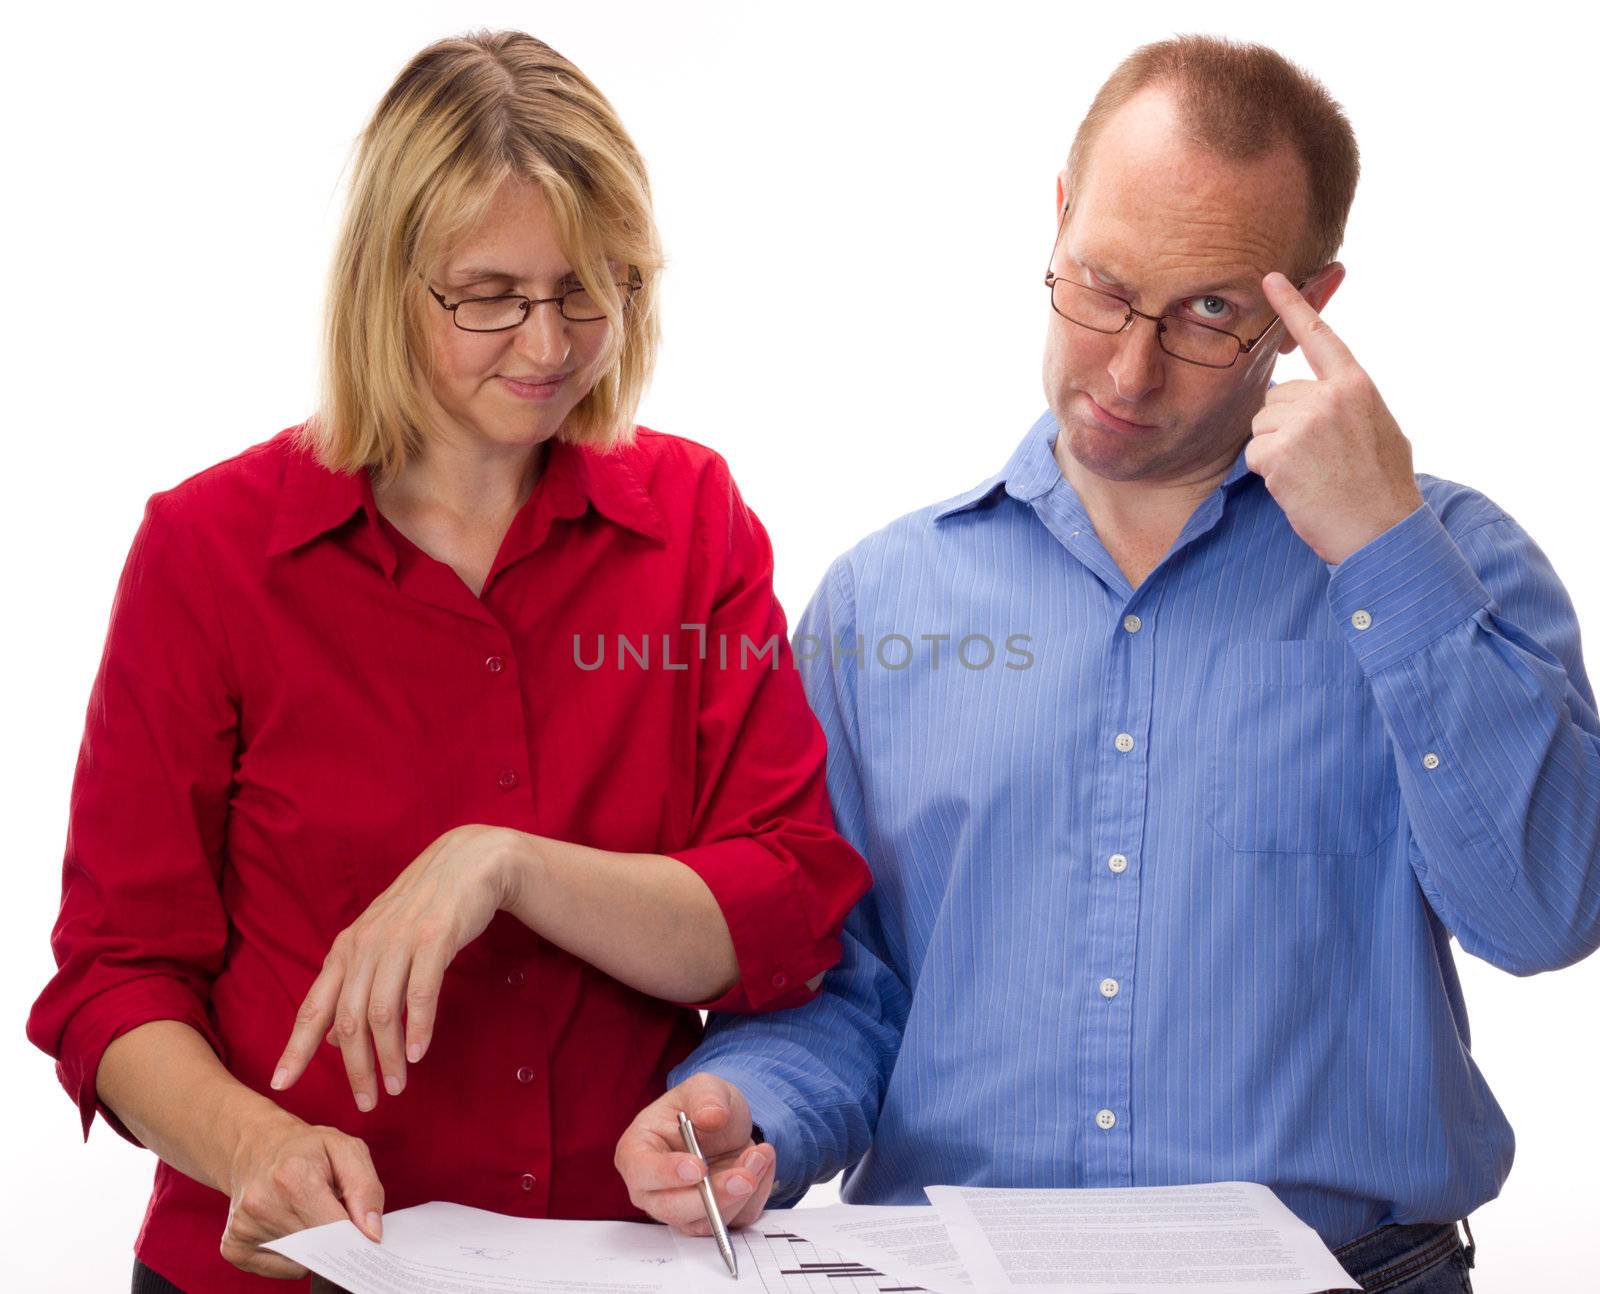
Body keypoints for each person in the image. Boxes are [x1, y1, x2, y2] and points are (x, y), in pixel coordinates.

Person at [615, 34, 1600, 1294]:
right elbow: (841, 987)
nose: (1128, 373)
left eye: (1208, 313)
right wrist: (747, 1111)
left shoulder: (1449, 566)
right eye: (1101, 286)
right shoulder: (883, 601)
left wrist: (1384, 550)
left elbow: (1545, 916)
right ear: (1061, 215)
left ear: (1310, 303)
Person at [26, 29, 869, 1294]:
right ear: (385, 281)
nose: (546, 345)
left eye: (591, 288)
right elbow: (114, 975)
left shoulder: (691, 520)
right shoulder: (207, 552)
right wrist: (255, 1147)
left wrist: (508, 864)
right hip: (290, 1268)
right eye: (490, 295)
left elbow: (781, 907)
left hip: (612, 1261)